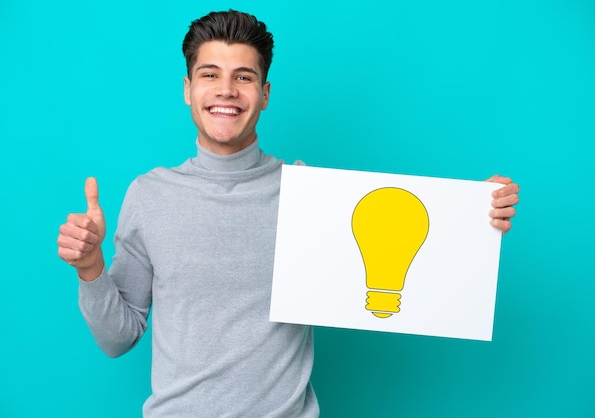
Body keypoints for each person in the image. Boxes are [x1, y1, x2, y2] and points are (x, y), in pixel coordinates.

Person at [56, 10, 520, 417]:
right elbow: (118, 339)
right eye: (210, 74)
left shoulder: (312, 196)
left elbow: (397, 236)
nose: (226, 90)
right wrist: (91, 268)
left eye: (243, 77)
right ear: (188, 89)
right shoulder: (150, 194)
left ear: (265, 92)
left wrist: (470, 214)